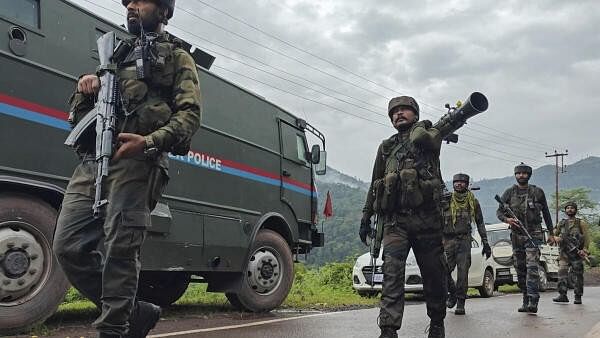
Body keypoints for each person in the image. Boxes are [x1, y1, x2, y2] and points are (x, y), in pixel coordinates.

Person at [53, 0, 202, 337]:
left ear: (163, 10)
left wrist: (148, 143)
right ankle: (133, 313)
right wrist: (85, 88)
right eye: (128, 2)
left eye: (141, 0)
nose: (131, 6)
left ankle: (115, 329)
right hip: (93, 162)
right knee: (67, 246)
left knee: (120, 248)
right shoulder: (115, 56)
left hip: (138, 163)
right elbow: (78, 118)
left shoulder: (178, 58)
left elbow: (190, 116)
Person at [360, 96, 447, 338]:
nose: (399, 114)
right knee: (392, 275)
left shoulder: (430, 136)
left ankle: (437, 322)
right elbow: (374, 182)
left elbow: (422, 138)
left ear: (416, 114)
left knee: (433, 275)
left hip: (427, 220)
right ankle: (388, 328)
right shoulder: (386, 147)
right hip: (395, 222)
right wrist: (366, 216)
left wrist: (422, 125)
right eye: (394, 112)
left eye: (405, 110)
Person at [496, 163, 553, 314]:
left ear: (529, 175)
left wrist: (552, 233)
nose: (521, 175)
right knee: (520, 268)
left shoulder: (537, 192)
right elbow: (499, 212)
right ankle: (525, 298)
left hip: (533, 234)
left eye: (524, 173)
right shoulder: (509, 193)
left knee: (532, 267)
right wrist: (507, 220)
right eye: (518, 173)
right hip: (516, 235)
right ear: (515, 175)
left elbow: (546, 213)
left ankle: (534, 299)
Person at [443, 173, 491, 315]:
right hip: (447, 241)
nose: (459, 184)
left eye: (462, 182)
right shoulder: (445, 200)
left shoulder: (473, 201)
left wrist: (485, 242)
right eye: (456, 182)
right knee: (443, 271)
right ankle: (452, 293)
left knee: (463, 274)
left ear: (467, 184)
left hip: (464, 240)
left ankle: (460, 303)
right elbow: (436, 220)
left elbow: (480, 223)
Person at [552, 201, 591, 304]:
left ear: (575, 210)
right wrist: (557, 238)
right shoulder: (561, 223)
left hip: (576, 254)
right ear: (565, 210)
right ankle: (562, 294)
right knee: (562, 273)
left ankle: (578, 296)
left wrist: (585, 250)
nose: (570, 209)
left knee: (578, 275)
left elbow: (586, 238)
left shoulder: (581, 223)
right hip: (564, 253)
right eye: (568, 208)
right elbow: (553, 235)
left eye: (572, 208)